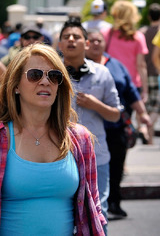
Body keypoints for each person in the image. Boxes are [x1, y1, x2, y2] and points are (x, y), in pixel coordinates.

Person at [0, 44, 107, 235]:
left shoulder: (80, 139)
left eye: (54, 76)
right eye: (35, 75)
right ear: (16, 86)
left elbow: (93, 209)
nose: (45, 82)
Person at [59, 18, 121, 224]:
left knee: (98, 214)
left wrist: (96, 105)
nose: (71, 40)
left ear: (86, 43)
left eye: (76, 36)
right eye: (66, 37)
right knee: (65, 215)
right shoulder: (51, 75)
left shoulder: (102, 73)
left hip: (97, 156)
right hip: (59, 156)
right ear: (59, 44)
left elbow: (116, 114)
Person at [86, 29, 152, 220]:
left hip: (115, 127)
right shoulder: (78, 67)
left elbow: (131, 91)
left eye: (99, 40)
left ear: (105, 43)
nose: (96, 44)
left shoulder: (115, 65)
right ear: (86, 43)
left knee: (116, 167)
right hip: (88, 131)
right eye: (92, 40)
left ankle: (113, 202)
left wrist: (143, 114)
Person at [102, 0, 149, 138]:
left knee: (108, 121)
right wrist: (145, 89)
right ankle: (122, 151)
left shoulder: (107, 34)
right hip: (131, 85)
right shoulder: (138, 37)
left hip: (109, 82)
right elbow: (141, 65)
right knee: (125, 122)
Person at [141, 2, 160, 144]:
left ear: (149, 16)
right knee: (156, 106)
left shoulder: (143, 32)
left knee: (145, 106)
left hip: (143, 72)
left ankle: (149, 139)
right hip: (156, 72)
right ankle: (147, 130)